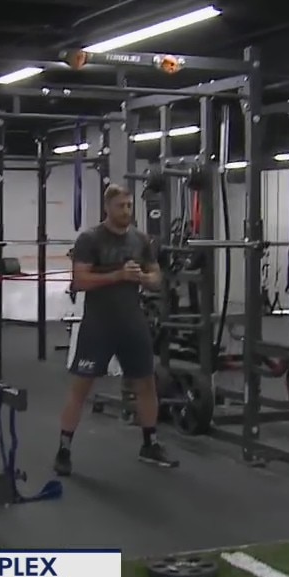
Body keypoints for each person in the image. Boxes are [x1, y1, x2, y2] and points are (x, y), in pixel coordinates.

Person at [54, 183, 178, 476]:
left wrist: (144, 278)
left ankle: (150, 444)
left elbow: (156, 278)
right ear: (107, 207)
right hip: (98, 323)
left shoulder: (140, 240)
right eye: (120, 206)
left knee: (146, 384)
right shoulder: (90, 239)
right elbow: (80, 281)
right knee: (81, 388)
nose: (126, 211)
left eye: (129, 206)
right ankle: (63, 449)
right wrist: (119, 275)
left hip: (132, 322)